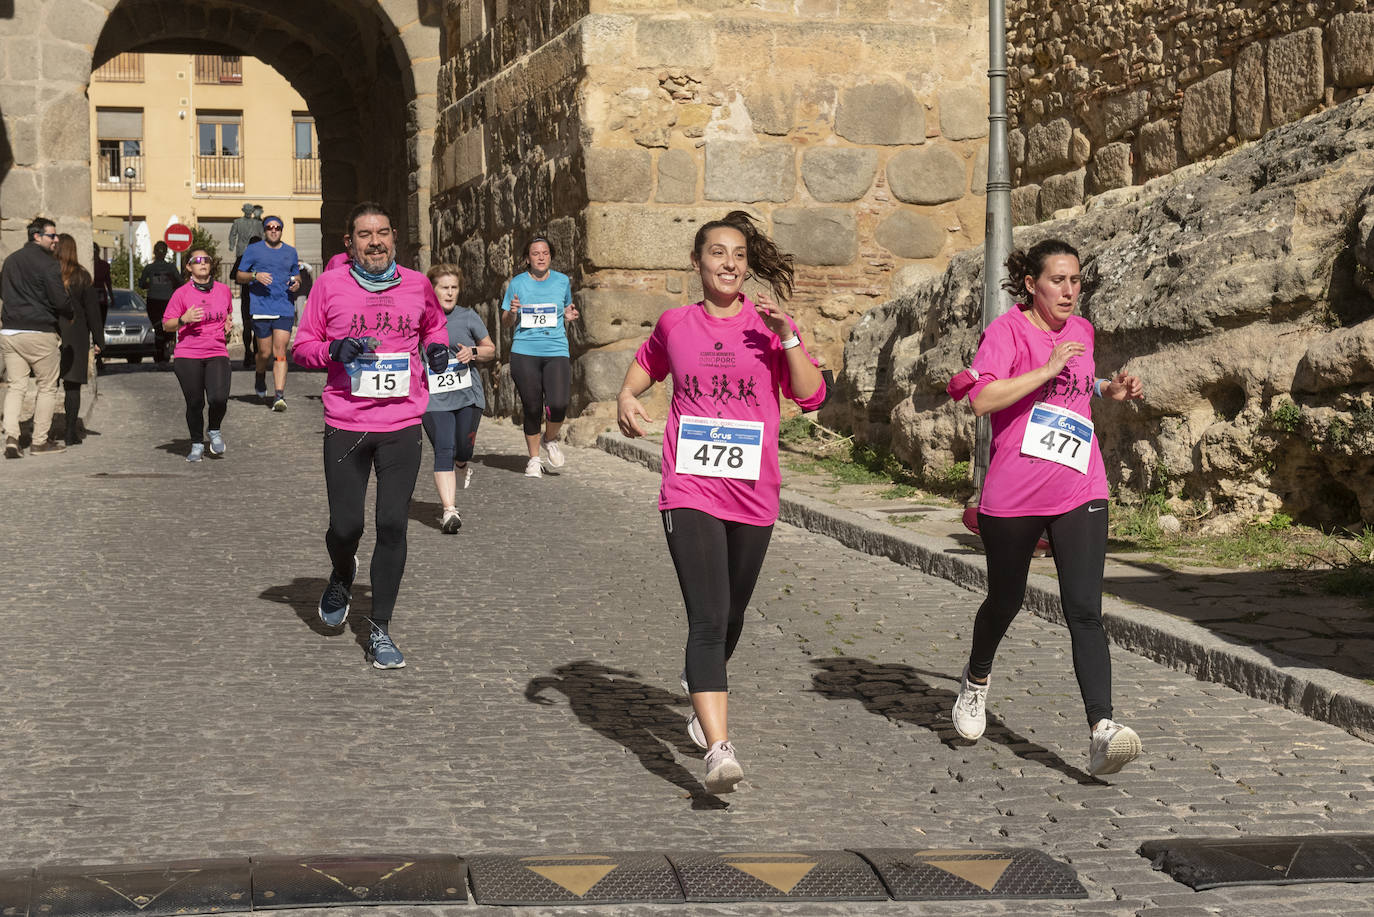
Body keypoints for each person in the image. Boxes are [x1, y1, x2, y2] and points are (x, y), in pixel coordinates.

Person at [616, 211, 825, 794]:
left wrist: (789, 337)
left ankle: (698, 685)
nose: (729, 262)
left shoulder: (767, 328)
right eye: (716, 252)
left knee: (731, 617)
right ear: (697, 262)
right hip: (690, 490)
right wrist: (625, 397)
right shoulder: (675, 324)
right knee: (707, 618)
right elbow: (645, 366)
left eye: (737, 254)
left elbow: (810, 398)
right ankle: (719, 748)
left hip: (754, 493)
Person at [947, 238, 1145, 778]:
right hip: (1013, 496)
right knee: (1004, 600)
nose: (1069, 290)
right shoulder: (1006, 332)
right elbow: (981, 400)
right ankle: (976, 679)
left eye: (1076, 280)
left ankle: (1102, 729)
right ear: (1032, 285)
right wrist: (1045, 367)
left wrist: (1110, 389)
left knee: (1084, 608)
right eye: (1058, 280)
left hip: (1080, 488)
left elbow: (1079, 389)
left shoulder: (1082, 332)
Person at [293, 201, 449, 669]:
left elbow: (433, 328)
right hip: (346, 425)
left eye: (382, 233)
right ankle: (342, 572)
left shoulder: (419, 285)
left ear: (395, 237)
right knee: (347, 527)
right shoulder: (329, 286)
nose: (375, 241)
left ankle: (380, 628)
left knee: (393, 524)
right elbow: (303, 347)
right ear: (350, 242)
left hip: (401, 425)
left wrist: (438, 351)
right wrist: (334, 349)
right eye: (364, 234)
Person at [422, 264, 495, 534]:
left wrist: (473, 352)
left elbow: (491, 350)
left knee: (462, 449)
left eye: (454, 288)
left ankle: (463, 464)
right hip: (433, 398)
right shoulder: (422, 318)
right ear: (432, 289)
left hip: (467, 396)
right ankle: (449, 510)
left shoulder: (467, 317)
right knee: (444, 447)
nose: (450, 293)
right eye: (444, 287)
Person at [500, 235, 579, 478]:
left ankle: (550, 438)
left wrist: (569, 313)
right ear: (527, 258)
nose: (541, 257)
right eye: (535, 253)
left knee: (558, 404)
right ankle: (534, 459)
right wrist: (512, 313)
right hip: (525, 351)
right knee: (532, 406)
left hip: (556, 350)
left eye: (545, 253)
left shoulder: (562, 281)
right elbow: (505, 322)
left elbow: (567, 307)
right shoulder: (517, 283)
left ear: (551, 257)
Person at [0, 217, 74, 457]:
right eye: (52, 236)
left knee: (16, 386)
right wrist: (69, 311)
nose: (56, 240)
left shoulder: (10, 260)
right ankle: (39, 442)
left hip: (10, 331)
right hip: (39, 331)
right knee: (47, 387)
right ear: (37, 236)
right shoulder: (48, 264)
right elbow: (59, 299)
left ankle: (11, 436)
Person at [162, 248, 233, 462]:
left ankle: (214, 429)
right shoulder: (181, 294)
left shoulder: (223, 290)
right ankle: (196, 444)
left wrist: (229, 322)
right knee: (195, 403)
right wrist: (184, 319)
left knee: (218, 398)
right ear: (189, 266)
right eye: (197, 260)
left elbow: (227, 312)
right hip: (188, 353)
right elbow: (166, 325)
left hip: (217, 350)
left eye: (206, 260)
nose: (203, 263)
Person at [236, 217, 300, 410]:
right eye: (269, 228)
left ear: (282, 230)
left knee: (280, 352)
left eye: (277, 228)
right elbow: (239, 275)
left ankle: (279, 395)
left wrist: (297, 283)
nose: (274, 231)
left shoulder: (290, 251)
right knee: (264, 353)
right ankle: (260, 374)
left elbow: (296, 275)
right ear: (265, 230)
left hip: (284, 307)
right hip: (261, 308)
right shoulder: (254, 250)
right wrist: (255, 276)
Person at [55, 234, 103, 447]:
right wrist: (99, 339)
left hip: (53, 331)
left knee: (47, 385)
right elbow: (93, 311)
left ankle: (43, 431)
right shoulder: (82, 276)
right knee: (72, 387)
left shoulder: (50, 274)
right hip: (76, 335)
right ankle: (70, 432)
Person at [138, 241, 181, 363]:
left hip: (154, 300)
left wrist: (150, 284)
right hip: (167, 300)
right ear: (166, 252)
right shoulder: (171, 268)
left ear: (154, 252)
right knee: (167, 326)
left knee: (158, 327)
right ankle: (165, 347)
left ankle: (160, 351)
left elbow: (141, 284)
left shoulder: (149, 268)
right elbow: (181, 282)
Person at [231, 235, 261, 369]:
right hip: (250, 296)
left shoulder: (245, 258)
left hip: (257, 297)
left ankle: (251, 353)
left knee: (252, 326)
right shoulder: (244, 258)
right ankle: (250, 353)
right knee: (251, 326)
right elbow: (233, 275)